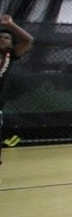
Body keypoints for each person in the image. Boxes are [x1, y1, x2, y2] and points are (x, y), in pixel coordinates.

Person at [0, 14, 35, 161]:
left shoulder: (10, 55)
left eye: (6, 38)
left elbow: (28, 40)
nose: (2, 39)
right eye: (0, 36)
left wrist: (11, 25)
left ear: (11, 44)